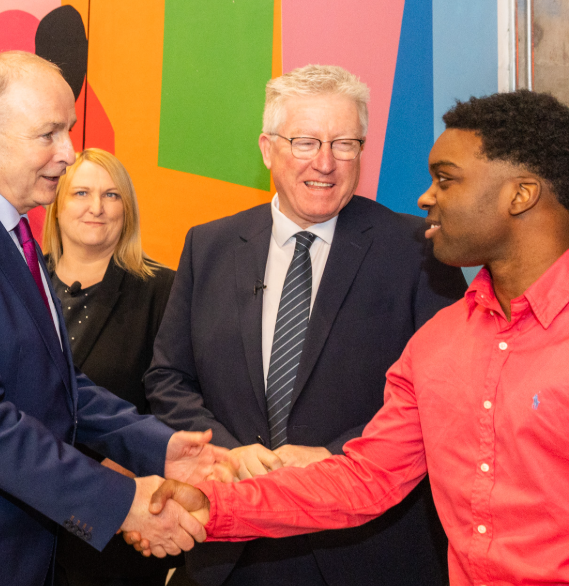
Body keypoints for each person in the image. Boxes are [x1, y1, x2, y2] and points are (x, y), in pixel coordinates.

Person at [142, 90, 569, 585]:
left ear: (520, 195)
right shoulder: (439, 341)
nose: (425, 198)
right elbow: (366, 478)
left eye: (446, 180)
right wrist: (212, 504)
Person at [0, 50, 225, 586]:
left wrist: (159, 447)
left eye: (69, 131)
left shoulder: (14, 235)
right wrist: (123, 501)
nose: (69, 152)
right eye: (48, 134)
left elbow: (60, 388)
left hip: (13, 545)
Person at [144, 64, 463, 586]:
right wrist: (225, 450)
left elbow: (446, 396)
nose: (325, 162)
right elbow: (168, 377)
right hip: (231, 551)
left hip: (366, 553)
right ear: (267, 149)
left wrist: (338, 459)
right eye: (306, 142)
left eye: (344, 144)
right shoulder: (209, 246)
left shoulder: (420, 251)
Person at [42, 148, 179, 586]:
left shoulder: (163, 290)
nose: (97, 207)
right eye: (81, 193)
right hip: (27, 524)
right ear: (57, 205)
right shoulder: (23, 283)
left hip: (115, 531)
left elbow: (176, 398)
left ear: (128, 209)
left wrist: (133, 471)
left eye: (111, 195)